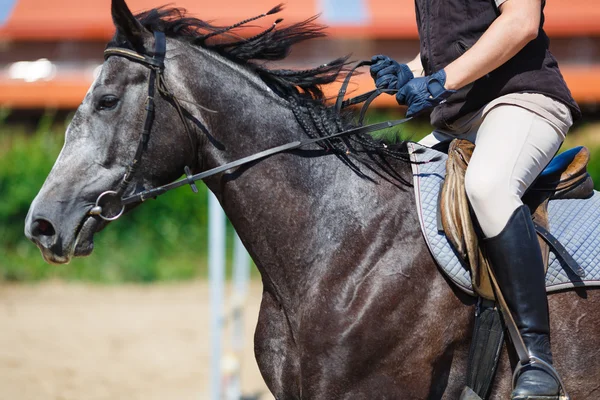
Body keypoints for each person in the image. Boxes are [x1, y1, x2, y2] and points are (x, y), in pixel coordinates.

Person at [370, 0, 581, 399]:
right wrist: (410, 71)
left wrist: (440, 81)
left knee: (487, 185)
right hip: (460, 120)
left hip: (521, 99)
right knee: (395, 187)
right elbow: (457, 43)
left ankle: (537, 361)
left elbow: (521, 23)